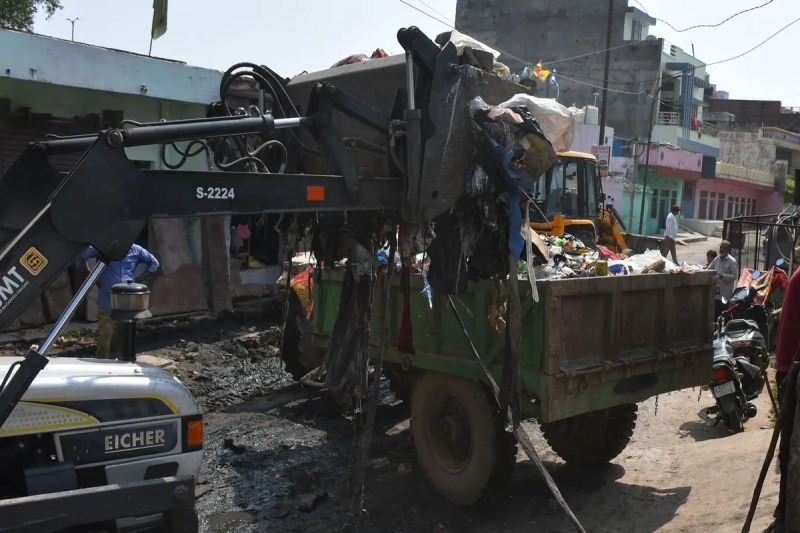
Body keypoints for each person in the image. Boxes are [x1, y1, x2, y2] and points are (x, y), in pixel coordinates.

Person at [77, 244, 160, 358]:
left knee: (124, 339)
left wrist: (138, 280)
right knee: (104, 340)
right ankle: (101, 365)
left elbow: (154, 263)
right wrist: (93, 278)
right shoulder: (105, 247)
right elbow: (81, 256)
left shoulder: (137, 250)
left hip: (126, 304)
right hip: (107, 302)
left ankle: (122, 365)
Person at [708, 240, 738, 318]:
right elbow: (709, 269)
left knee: (726, 316)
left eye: (724, 247)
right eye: (721, 247)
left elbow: (734, 276)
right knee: (715, 316)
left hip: (725, 294)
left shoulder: (731, 261)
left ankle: (725, 329)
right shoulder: (716, 259)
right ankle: (716, 330)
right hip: (716, 293)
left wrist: (723, 276)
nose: (721, 249)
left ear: (728, 249)